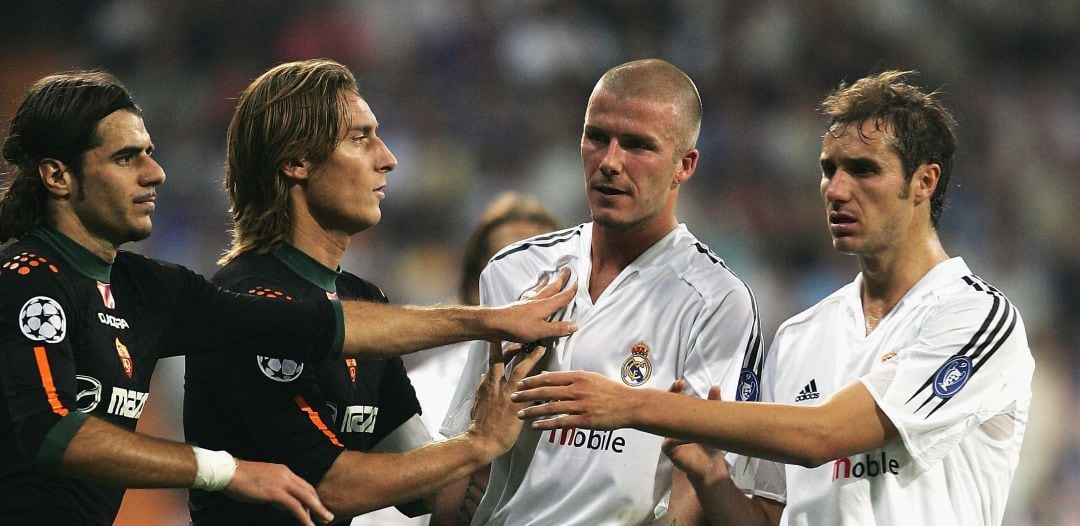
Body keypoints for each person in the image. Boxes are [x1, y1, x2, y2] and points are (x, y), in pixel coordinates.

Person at [0, 71, 575, 526]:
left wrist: (497, 338)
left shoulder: (147, 289)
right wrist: (225, 471)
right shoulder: (25, 276)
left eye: (148, 151)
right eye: (127, 157)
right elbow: (56, 434)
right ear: (57, 175)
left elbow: (328, 331)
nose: (156, 172)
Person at [513, 70, 1035, 526]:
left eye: (863, 169)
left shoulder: (976, 318)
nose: (836, 189)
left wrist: (633, 404)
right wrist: (710, 472)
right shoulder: (798, 337)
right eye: (829, 169)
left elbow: (823, 435)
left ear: (924, 181)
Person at [183, 60, 562, 525]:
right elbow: (325, 489)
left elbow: (428, 490)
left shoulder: (363, 297)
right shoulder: (247, 304)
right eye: (360, 138)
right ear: (296, 160)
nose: (387, 157)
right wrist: (478, 443)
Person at [441, 59, 762, 525]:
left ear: (684, 166)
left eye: (637, 145)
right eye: (597, 137)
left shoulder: (716, 303)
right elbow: (466, 445)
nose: (610, 162)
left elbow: (696, 478)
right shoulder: (514, 272)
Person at [355, 193, 562, 526]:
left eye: (548, 275)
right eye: (510, 273)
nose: (531, 294)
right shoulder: (421, 397)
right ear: (472, 290)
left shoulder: (600, 390)